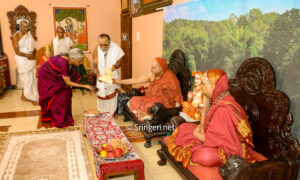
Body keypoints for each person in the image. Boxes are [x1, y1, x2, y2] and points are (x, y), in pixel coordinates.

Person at [167, 69, 257, 168]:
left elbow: (212, 142)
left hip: (229, 150)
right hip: (212, 138)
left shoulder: (223, 110)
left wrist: (196, 134)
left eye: (204, 84)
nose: (201, 87)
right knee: (183, 127)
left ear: (214, 85)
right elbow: (204, 128)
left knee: (205, 156)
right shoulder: (217, 99)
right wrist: (205, 105)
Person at [38, 48, 93, 128]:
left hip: (57, 78)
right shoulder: (63, 62)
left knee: (67, 92)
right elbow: (68, 82)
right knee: (61, 96)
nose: (81, 63)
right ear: (73, 59)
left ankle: (66, 119)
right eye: (80, 61)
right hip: (47, 77)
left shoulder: (69, 60)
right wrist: (84, 86)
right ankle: (59, 120)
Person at [114, 57, 183, 120]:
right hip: (149, 99)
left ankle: (144, 113)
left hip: (162, 104)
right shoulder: (153, 75)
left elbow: (177, 95)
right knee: (134, 100)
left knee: (151, 107)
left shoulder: (170, 78)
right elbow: (136, 80)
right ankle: (142, 113)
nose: (151, 69)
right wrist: (118, 82)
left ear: (160, 68)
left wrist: (175, 114)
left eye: (153, 67)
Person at [93, 34, 124, 114]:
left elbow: (120, 63)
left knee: (112, 96)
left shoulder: (116, 48)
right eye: (101, 45)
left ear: (109, 42)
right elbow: (94, 66)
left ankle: (112, 113)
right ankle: (102, 112)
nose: (103, 47)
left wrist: (115, 66)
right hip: (101, 76)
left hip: (112, 75)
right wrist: (97, 75)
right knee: (101, 94)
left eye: (105, 45)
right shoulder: (96, 49)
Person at [12, 20, 39, 105]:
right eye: (25, 27)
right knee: (28, 80)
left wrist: (33, 54)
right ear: (20, 26)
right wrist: (28, 55)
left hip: (31, 59)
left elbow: (34, 47)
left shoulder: (29, 35)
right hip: (22, 60)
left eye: (28, 27)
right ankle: (31, 98)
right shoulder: (15, 37)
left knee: (33, 78)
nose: (27, 28)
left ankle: (26, 96)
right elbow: (17, 51)